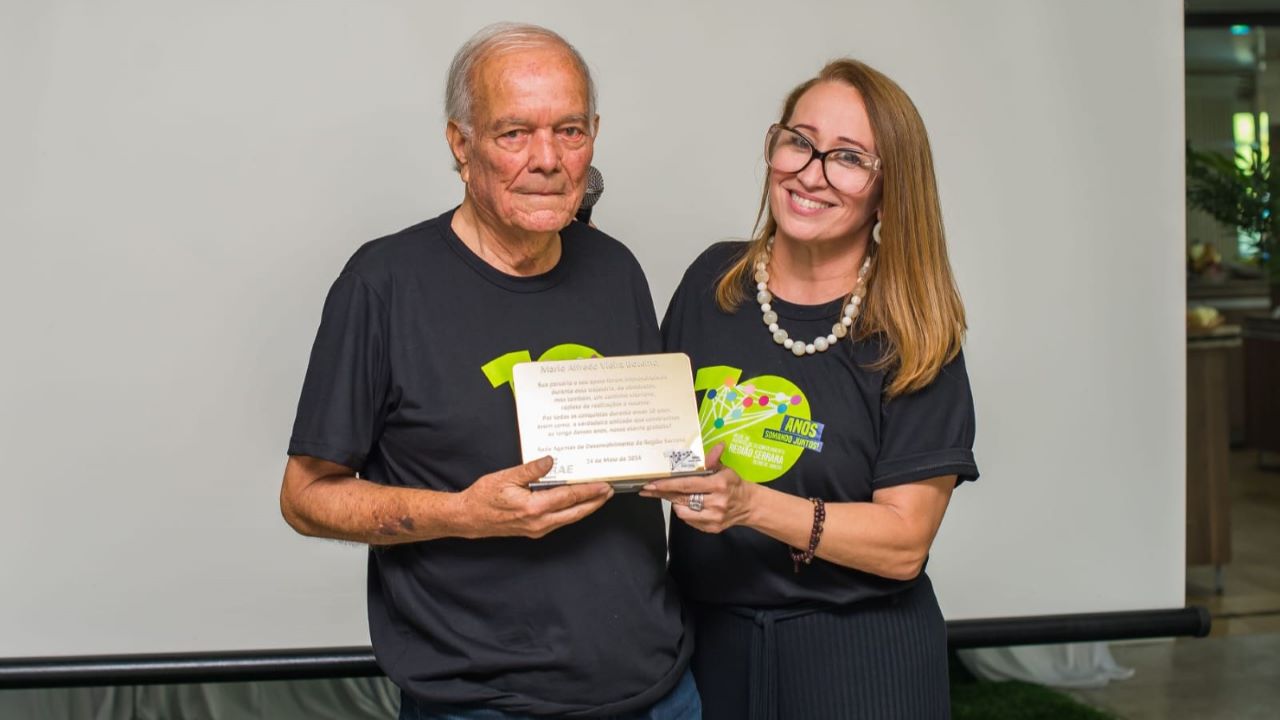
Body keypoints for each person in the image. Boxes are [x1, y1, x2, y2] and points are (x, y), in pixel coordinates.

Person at [280, 23, 696, 720]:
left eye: (569, 131)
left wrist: (687, 465)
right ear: (460, 144)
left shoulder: (615, 269)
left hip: (660, 691)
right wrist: (463, 515)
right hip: (484, 704)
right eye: (513, 134)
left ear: (595, 132)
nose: (548, 159)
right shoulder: (383, 285)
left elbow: (630, 450)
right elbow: (305, 497)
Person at [642, 58, 979, 719]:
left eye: (848, 157)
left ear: (888, 191)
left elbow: (905, 543)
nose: (810, 171)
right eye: (799, 140)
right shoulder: (714, 283)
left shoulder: (915, 329)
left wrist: (750, 506)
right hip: (708, 652)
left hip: (862, 662)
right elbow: (654, 440)